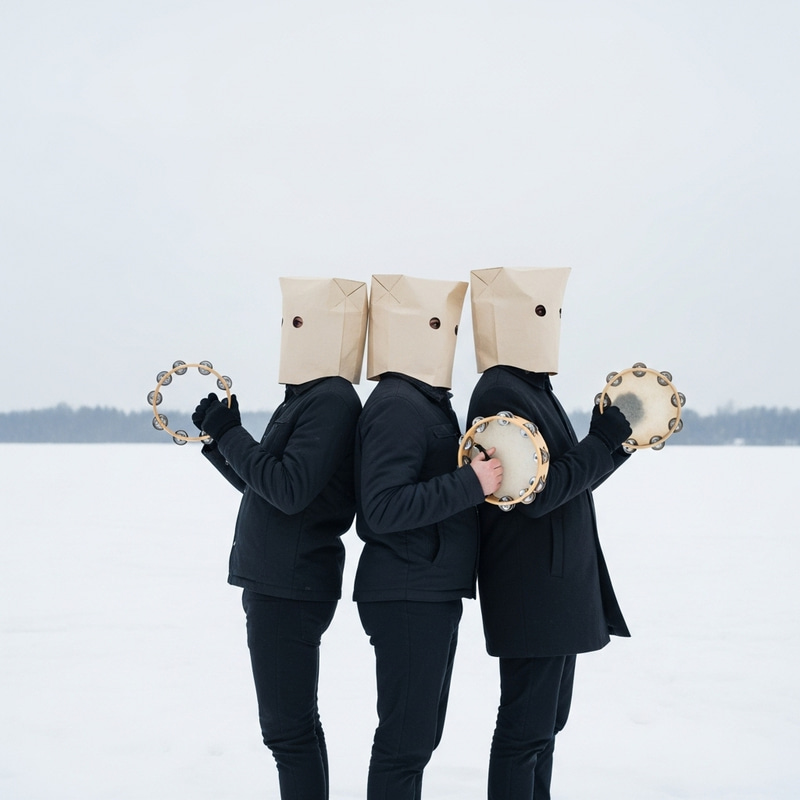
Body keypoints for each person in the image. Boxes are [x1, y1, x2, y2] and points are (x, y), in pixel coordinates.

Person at [192, 277, 368, 800]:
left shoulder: (331, 398)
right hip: (283, 582)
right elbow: (265, 489)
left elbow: (287, 490)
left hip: (290, 588)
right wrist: (220, 441)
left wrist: (232, 435)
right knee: (296, 728)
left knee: (287, 733)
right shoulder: (309, 398)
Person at [466, 267, 633, 799]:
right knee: (524, 733)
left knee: (545, 729)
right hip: (531, 589)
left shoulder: (534, 388)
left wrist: (616, 446)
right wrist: (599, 441)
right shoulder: (498, 391)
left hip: (554, 591)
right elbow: (535, 495)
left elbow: (569, 485)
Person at [353, 274, 503, 800]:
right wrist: (471, 482)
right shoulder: (398, 403)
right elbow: (381, 507)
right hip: (406, 592)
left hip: (426, 588)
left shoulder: (424, 400)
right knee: (404, 743)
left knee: (417, 739)